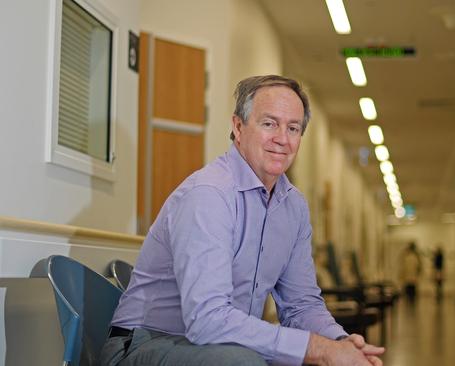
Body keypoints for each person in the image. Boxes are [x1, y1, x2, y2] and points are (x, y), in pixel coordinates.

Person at [100, 75, 384, 366]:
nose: (282, 139)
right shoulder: (209, 194)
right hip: (145, 344)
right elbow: (207, 321)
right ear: (238, 127)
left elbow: (301, 306)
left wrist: (339, 342)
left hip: (219, 348)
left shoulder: (294, 206)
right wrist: (319, 349)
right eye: (269, 124)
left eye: (293, 128)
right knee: (244, 362)